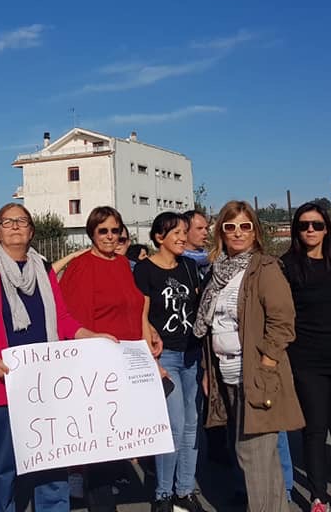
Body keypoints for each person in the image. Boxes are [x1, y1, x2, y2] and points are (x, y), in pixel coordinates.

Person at [0, 203, 115, 512]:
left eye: (22, 221)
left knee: (52, 461)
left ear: (31, 231)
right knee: (4, 465)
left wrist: (91, 335)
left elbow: (63, 319)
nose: (15, 226)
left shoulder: (43, 270)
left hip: (46, 385)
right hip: (0, 382)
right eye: (8, 222)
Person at [193, 201, 304, 512]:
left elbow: (282, 322)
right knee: (257, 455)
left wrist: (266, 365)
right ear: (221, 232)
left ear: (256, 231)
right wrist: (207, 370)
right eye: (230, 227)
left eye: (245, 226)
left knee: (253, 454)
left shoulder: (264, 268)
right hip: (225, 372)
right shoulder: (217, 271)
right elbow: (213, 325)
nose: (238, 233)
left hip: (255, 374)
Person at [59, 206, 156, 512]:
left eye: (116, 231)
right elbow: (72, 319)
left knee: (121, 440)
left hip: (129, 361)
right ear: (92, 233)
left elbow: (135, 307)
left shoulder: (121, 265)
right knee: (101, 446)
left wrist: (149, 334)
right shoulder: (83, 267)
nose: (111, 236)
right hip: (98, 366)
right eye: (103, 231)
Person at [280, 204, 331, 512]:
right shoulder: (286, 266)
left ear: (327, 228)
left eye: (317, 224)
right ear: (296, 230)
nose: (311, 230)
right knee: (315, 430)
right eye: (304, 225)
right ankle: (318, 496)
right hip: (306, 362)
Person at [133, 212, 203, 512]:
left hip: (192, 354)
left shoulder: (189, 266)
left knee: (191, 425)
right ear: (159, 237)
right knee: (173, 426)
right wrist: (151, 359)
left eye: (184, 231)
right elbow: (141, 316)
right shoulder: (145, 270)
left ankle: (184, 490)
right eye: (175, 232)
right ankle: (163, 493)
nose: (182, 236)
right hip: (166, 357)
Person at [181, 210, 211, 282]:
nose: (205, 233)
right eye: (199, 228)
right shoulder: (179, 260)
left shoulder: (210, 255)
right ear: (185, 230)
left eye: (206, 228)